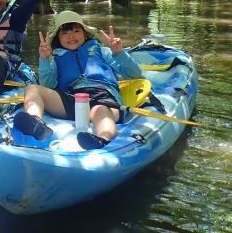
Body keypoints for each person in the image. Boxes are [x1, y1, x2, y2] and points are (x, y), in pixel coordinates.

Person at [14, 11, 143, 150]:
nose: (71, 36)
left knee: (101, 110)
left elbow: (134, 73)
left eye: (76, 31)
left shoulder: (103, 51)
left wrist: (119, 53)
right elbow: (48, 85)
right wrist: (44, 59)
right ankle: (35, 123)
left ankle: (102, 139)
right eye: (65, 33)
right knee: (32, 88)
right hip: (72, 100)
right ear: (58, 38)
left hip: (102, 97)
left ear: (85, 34)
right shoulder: (56, 58)